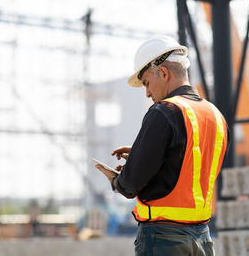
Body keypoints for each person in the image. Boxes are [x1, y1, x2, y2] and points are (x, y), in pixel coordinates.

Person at [95, 35, 229, 256]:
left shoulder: (164, 111)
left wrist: (117, 180)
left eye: (146, 83)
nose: (147, 93)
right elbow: (189, 166)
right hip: (203, 239)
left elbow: (130, 184)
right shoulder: (216, 117)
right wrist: (144, 154)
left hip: (164, 239)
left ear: (164, 73)